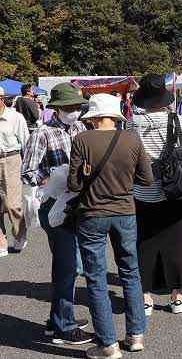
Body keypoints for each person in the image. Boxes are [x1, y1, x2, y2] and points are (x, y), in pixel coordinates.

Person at [68, 93, 153, 358]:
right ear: (115, 115)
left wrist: (86, 173)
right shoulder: (132, 138)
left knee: (96, 277)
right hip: (125, 211)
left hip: (92, 213)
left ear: (93, 117)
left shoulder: (82, 140)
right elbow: (146, 179)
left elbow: (73, 185)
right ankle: (136, 335)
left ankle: (108, 345)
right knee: (130, 272)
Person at [21, 82, 93, 345]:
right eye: (70, 107)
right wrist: (51, 178)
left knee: (67, 266)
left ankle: (58, 320)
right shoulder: (43, 134)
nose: (75, 111)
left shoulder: (81, 128)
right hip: (54, 204)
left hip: (78, 202)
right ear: (57, 109)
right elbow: (28, 171)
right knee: (68, 265)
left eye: (77, 107)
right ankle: (65, 326)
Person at [130, 74, 182, 316]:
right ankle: (176, 296)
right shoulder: (178, 121)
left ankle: (145, 297)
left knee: (144, 242)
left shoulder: (133, 124)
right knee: (177, 242)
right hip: (174, 190)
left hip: (143, 191)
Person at [0, 85, 30, 256]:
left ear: (2, 99)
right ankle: (1, 241)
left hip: (11, 159)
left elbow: (26, 142)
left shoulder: (15, 117)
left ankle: (20, 233)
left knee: (12, 204)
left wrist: (29, 168)